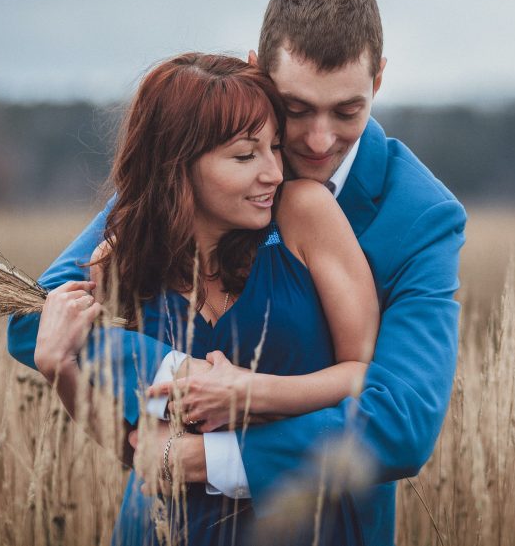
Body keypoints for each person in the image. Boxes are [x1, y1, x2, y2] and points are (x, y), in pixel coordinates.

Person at [8, 0, 466, 546]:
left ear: (379, 80)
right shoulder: (197, 167)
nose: (317, 141)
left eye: (347, 111)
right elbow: (32, 316)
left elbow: (402, 422)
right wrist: (177, 375)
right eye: (296, 108)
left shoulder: (422, 217)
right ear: (259, 68)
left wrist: (221, 444)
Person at [25, 52, 378, 545]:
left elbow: (363, 375)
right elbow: (137, 454)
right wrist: (57, 367)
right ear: (178, 165)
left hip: (296, 524)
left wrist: (248, 393)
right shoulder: (121, 259)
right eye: (245, 156)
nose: (274, 172)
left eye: (274, 147)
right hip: (164, 529)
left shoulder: (305, 215)